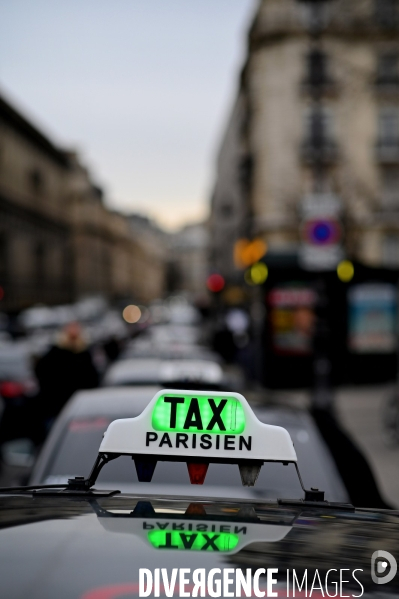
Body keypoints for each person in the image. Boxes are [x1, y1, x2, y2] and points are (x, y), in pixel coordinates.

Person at [35, 322, 99, 431]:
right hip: (57, 408)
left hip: (79, 408)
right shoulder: (54, 354)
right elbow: (42, 374)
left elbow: (92, 379)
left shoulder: (84, 354)